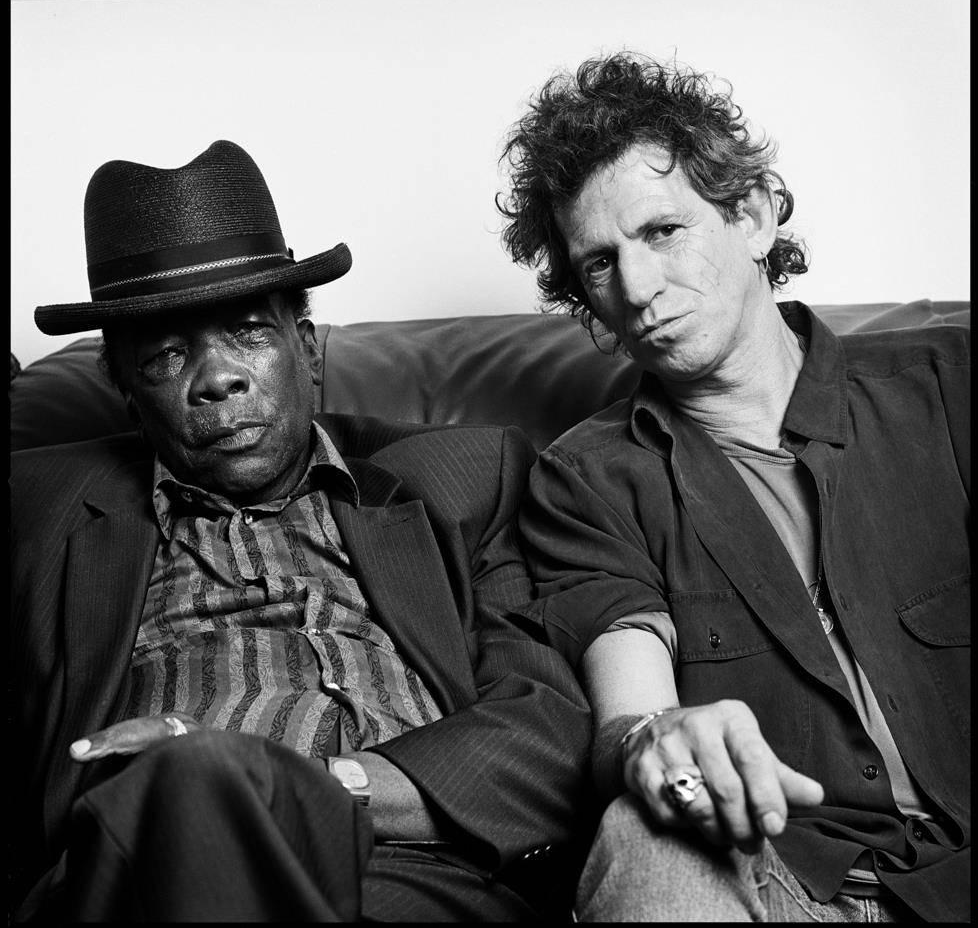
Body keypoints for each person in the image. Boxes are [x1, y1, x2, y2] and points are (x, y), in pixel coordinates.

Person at [10, 139, 591, 922]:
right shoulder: (41, 503)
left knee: (205, 771)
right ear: (121, 390)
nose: (217, 378)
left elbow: (547, 733)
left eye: (248, 332)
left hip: (408, 881)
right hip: (142, 877)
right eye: (166, 355)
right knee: (186, 783)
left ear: (308, 350)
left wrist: (307, 785)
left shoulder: (465, 476)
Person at [497, 53, 970, 922]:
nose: (636, 288)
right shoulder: (586, 480)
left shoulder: (950, 387)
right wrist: (656, 740)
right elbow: (627, 712)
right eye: (598, 264)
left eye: (662, 233)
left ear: (751, 217)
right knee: (646, 833)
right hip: (785, 885)